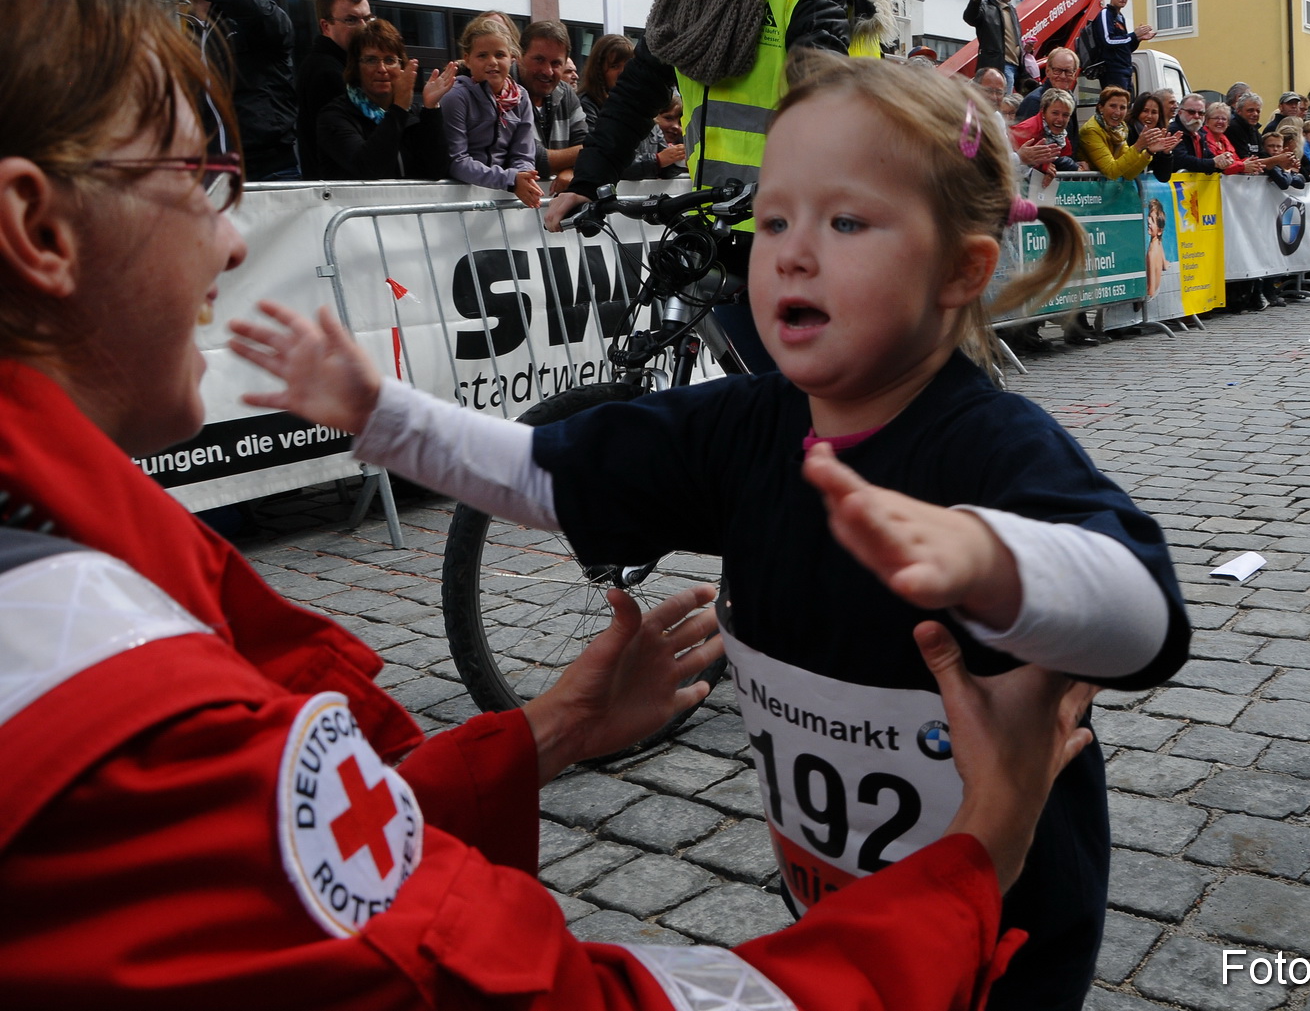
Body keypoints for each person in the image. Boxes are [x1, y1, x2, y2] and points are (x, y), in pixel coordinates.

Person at [0, 0, 1103, 1011]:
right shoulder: (104, 692)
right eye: (203, 179)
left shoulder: (1000, 444)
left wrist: (545, 731)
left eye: (845, 222)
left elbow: (284, 851)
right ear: (38, 227)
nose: (234, 244)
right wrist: (972, 856)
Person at [236, 55, 1192, 1011]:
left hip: (1004, 932)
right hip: (839, 914)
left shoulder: (993, 444)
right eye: (773, 218)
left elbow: (1144, 620)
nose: (791, 251)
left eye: (846, 221)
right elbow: (547, 473)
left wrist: (993, 562)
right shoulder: (744, 423)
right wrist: (384, 415)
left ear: (960, 271)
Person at [544, 0, 883, 286]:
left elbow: (819, 112)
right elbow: (637, 91)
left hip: (797, 234)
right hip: (714, 226)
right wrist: (589, 181)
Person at [136, 0, 298, 180]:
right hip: (209, 178)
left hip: (267, 174)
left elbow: (246, 6)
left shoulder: (261, 19)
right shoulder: (187, 37)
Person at [315, 18, 457, 180]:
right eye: (371, 60)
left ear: (402, 66)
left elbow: (435, 171)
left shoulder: (413, 114)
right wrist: (399, 109)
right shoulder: (334, 116)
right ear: (356, 67)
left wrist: (431, 109)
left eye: (390, 60)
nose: (382, 69)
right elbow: (368, 168)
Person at [444, 15, 542, 208]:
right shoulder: (455, 96)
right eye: (482, 55)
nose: (492, 62)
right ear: (467, 60)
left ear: (512, 58)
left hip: (503, 195)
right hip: (461, 200)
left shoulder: (521, 96)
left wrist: (524, 177)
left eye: (500, 55)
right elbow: (457, 161)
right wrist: (510, 179)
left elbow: (523, 154)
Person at [295, 0, 371, 180]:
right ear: (326, 26)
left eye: (367, 18)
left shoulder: (345, 65)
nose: (364, 28)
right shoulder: (326, 71)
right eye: (351, 20)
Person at [521, 19, 587, 189]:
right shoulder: (504, 92)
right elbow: (534, 158)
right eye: (539, 60)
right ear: (519, 57)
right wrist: (575, 162)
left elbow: (590, 147)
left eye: (556, 63)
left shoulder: (566, 93)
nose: (547, 71)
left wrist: (571, 171)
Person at [1078, 87, 1177, 180]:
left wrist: (1149, 152)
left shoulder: (1120, 130)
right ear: (1100, 108)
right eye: (1113, 106)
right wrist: (1138, 146)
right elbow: (1111, 171)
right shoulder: (1091, 130)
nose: (1117, 112)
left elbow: (1129, 174)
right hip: (1088, 193)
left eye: (1122, 108)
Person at [1089, 0, 1154, 92]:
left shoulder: (1120, 17)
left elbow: (1125, 47)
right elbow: (1108, 41)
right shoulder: (1106, 14)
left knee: (1127, 107)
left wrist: (1138, 39)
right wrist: (1133, 35)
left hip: (1126, 71)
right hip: (1113, 71)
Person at [965, 0, 1024, 89]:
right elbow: (969, 18)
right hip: (996, 67)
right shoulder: (985, 6)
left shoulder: (1012, 10)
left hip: (1014, 67)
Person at [574, 32, 635, 143]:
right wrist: (656, 159)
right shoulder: (586, 105)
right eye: (614, 66)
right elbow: (597, 151)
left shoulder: (638, 105)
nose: (622, 72)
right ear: (598, 70)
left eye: (627, 66)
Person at [1008, 87, 1078, 181]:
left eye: (1065, 115)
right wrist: (1041, 167)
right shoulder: (1026, 130)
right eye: (1055, 113)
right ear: (1043, 111)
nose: (1060, 119)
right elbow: (1010, 162)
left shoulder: (1060, 135)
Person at [1225, 92, 1264, 160]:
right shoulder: (1233, 128)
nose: (1255, 114)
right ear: (1239, 111)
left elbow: (1262, 154)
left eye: (1258, 111)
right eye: (1250, 110)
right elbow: (1244, 158)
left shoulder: (1254, 130)